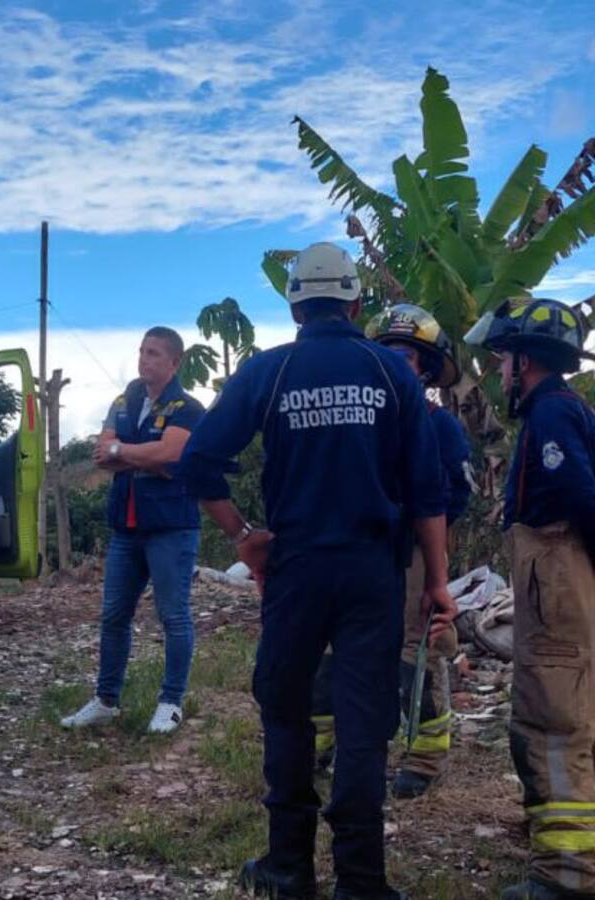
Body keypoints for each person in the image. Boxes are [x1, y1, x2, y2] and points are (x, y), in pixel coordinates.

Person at [179, 243, 455, 900]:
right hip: (372, 573)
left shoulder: (271, 371)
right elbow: (427, 490)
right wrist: (439, 582)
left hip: (296, 570)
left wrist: (244, 537)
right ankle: (361, 882)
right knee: (363, 723)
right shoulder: (391, 374)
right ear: (357, 304)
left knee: (286, 709)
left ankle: (288, 868)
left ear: (296, 305)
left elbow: (197, 464)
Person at [311, 304, 472, 798]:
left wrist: (426, 546)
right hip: (360, 548)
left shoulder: (438, 425)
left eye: (406, 357)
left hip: (416, 550)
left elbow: (455, 497)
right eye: (387, 356)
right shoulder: (357, 420)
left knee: (417, 651)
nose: (396, 365)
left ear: (423, 367)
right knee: (334, 646)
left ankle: (424, 758)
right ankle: (323, 743)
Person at [465, 298, 595, 900]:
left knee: (555, 719)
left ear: (526, 360)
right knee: (554, 708)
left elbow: (579, 500)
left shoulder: (552, 419)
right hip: (554, 583)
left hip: (558, 584)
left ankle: (568, 877)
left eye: (502, 360)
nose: (497, 372)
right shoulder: (557, 411)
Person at [60, 326, 205, 735]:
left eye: (154, 353)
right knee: (113, 616)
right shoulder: (125, 401)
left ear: (174, 362)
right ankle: (106, 700)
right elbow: (100, 453)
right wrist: (139, 458)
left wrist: (122, 451)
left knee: (173, 616)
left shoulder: (188, 407)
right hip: (125, 526)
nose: (144, 359)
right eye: (142, 351)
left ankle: (171, 702)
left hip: (170, 526)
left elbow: (171, 455)